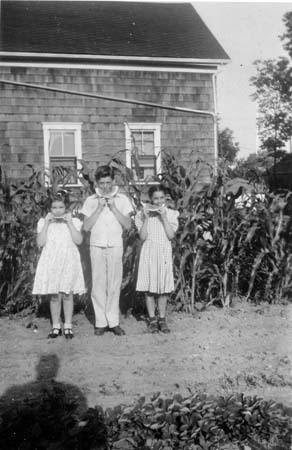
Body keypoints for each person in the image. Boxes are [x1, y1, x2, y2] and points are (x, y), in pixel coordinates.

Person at [81, 165, 133, 336]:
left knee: (114, 283)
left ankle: (113, 321)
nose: (105, 186)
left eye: (108, 182)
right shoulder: (91, 200)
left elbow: (127, 225)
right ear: (97, 182)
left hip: (115, 245)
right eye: (102, 183)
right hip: (96, 244)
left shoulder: (122, 199)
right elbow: (86, 227)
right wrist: (98, 208)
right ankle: (101, 322)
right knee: (98, 284)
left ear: (114, 181)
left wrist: (113, 207)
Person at [32, 192, 85, 339]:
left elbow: (79, 241)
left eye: (61, 207)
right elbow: (40, 243)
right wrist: (47, 224)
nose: (57, 210)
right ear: (49, 208)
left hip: (68, 261)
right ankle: (56, 325)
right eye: (54, 207)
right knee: (54, 295)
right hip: (52, 262)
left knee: (68, 294)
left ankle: (68, 324)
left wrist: (69, 223)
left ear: (66, 208)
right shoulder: (44, 222)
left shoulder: (74, 221)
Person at [135, 185, 179, 333]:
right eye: (155, 198)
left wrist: (163, 217)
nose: (159, 201)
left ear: (165, 198)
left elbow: (171, 235)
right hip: (148, 252)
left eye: (161, 198)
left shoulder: (171, 214)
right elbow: (142, 237)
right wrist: (146, 218)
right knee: (149, 289)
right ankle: (152, 319)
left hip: (164, 252)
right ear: (150, 199)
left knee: (163, 289)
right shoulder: (142, 214)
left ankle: (162, 318)